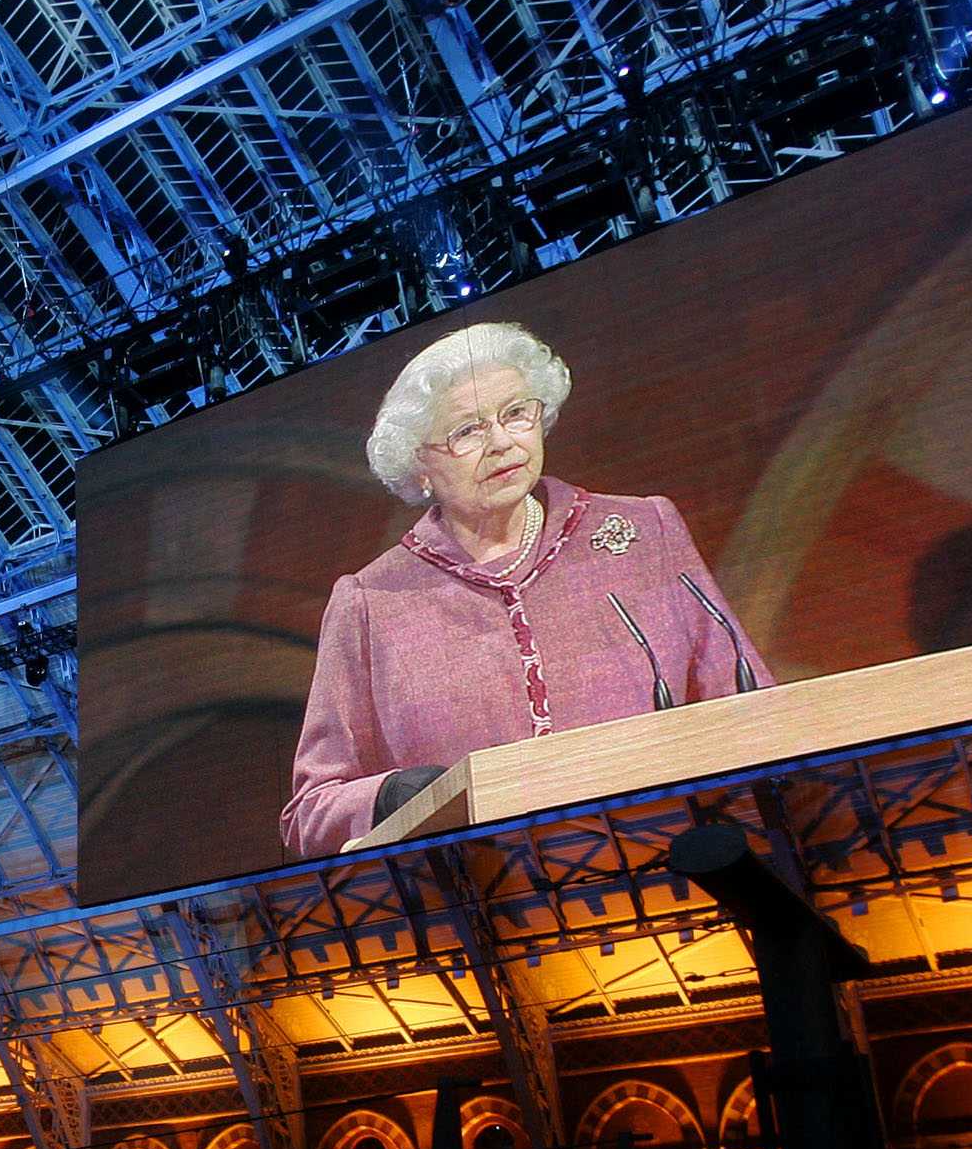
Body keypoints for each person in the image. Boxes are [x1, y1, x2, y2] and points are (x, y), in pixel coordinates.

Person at [281, 322, 772, 855]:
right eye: (467, 431)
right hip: (493, 901)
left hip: (679, 865)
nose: (501, 442)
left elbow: (755, 709)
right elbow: (313, 811)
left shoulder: (642, 530)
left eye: (516, 413)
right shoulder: (371, 601)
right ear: (420, 465)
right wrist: (395, 795)